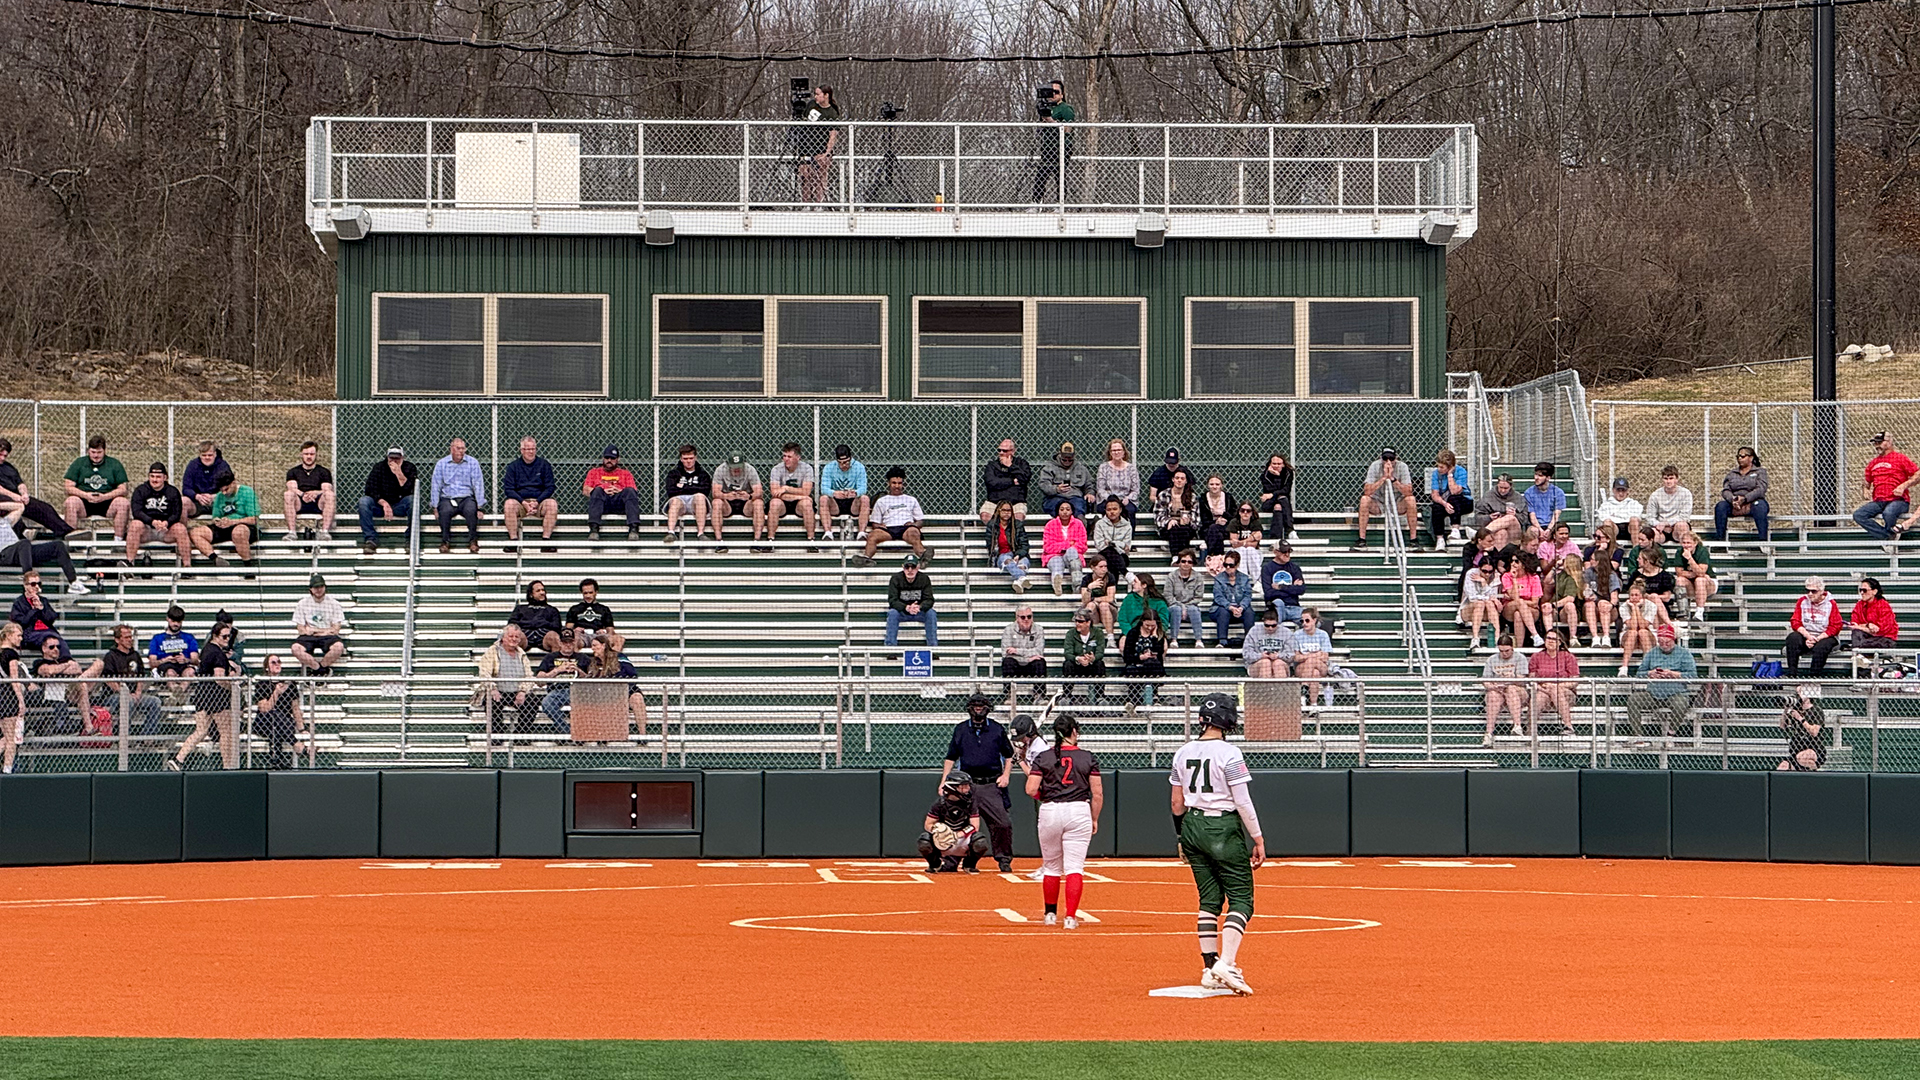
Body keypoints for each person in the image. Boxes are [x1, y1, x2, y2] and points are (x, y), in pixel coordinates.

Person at [1169, 695, 1265, 996]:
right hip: (1222, 825)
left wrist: (1181, 836)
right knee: (1241, 899)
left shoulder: (1182, 752)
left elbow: (1176, 802)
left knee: (1209, 900)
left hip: (1193, 824)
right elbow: (1242, 800)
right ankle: (1227, 962)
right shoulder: (1230, 753)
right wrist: (1258, 837)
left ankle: (1209, 967)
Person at [1027, 714, 1102, 928]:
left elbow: (1031, 789)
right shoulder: (1087, 757)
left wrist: (1047, 797)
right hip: (1079, 810)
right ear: (1074, 732)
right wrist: (1094, 818)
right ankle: (1070, 917)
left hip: (1050, 810)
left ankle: (1050, 914)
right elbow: (1097, 794)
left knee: (1051, 866)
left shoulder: (1043, 757)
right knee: (1074, 868)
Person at [940, 692, 1016, 872]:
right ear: (969, 709)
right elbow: (951, 757)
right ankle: (952, 860)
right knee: (956, 822)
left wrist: (1006, 775)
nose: (978, 710)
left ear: (988, 709)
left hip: (991, 784)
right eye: (975, 707)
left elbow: (1009, 755)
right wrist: (944, 780)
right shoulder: (960, 729)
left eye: (981, 707)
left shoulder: (997, 729)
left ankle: (1004, 859)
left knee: (1002, 822)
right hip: (965, 786)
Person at [165, 621, 239, 770]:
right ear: (215, 636)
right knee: (226, 731)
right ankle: (228, 766)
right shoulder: (218, 654)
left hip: (202, 694)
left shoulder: (206, 650)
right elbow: (219, 678)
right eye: (224, 637)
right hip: (217, 697)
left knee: (201, 730)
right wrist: (233, 682)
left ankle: (179, 758)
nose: (227, 640)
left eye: (228, 637)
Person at [82, 623, 163, 737]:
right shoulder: (111, 656)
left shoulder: (135, 655)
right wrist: (125, 694)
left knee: (155, 702)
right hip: (114, 696)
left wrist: (138, 693)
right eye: (126, 637)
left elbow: (141, 676)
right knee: (127, 702)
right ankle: (124, 737)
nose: (130, 640)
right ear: (117, 640)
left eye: (130, 637)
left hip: (134, 695)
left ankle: (147, 737)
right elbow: (108, 679)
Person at [1625, 624, 1697, 740]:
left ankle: (1671, 733)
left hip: (1676, 693)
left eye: (1667, 642)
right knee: (1634, 700)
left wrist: (1674, 674)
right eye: (1661, 642)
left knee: (1681, 703)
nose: (1664, 645)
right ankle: (1638, 735)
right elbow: (1639, 673)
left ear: (1673, 639)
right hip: (1653, 694)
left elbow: (1693, 676)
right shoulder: (1652, 653)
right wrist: (1650, 673)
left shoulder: (1684, 654)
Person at [0, 501, 86, 594]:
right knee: (24, 543)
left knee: (58, 545)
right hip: (5, 554)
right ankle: (30, 582)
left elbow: (20, 507)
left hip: (23, 552)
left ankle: (73, 582)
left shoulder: (5, 521)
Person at [854, 468, 931, 567]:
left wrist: (914, 525)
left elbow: (920, 521)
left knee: (914, 533)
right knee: (872, 536)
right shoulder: (881, 501)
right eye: (894, 483)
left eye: (899, 483)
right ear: (889, 484)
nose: (897, 486)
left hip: (906, 527)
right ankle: (867, 558)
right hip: (888, 529)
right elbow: (874, 522)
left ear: (903, 484)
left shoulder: (911, 500)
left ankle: (923, 557)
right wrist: (879, 526)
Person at [475, 625, 540, 735]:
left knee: (532, 702)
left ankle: (521, 734)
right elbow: (484, 673)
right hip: (498, 691)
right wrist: (493, 688)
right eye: (510, 636)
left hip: (517, 692)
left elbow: (529, 676)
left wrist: (523, 691)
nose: (514, 639)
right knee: (491, 701)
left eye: (516, 637)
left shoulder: (522, 654)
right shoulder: (492, 652)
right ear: (503, 637)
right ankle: (497, 735)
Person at [1853, 431, 1917, 543]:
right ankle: (1888, 537)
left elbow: (1917, 474)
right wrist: (1865, 490)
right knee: (1859, 515)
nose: (1877, 446)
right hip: (1879, 501)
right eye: (1875, 443)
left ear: (1889, 442)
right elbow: (1867, 481)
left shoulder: (1900, 458)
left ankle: (1889, 540)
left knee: (1889, 512)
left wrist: (1904, 485)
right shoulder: (1873, 463)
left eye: (1880, 442)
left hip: (1898, 501)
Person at [125, 462, 192, 569]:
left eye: (158, 477)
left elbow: (177, 513)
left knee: (181, 528)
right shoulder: (140, 490)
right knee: (134, 525)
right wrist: (152, 521)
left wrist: (166, 523)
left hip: (166, 530)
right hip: (146, 529)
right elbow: (137, 512)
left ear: (165, 477)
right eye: (152, 476)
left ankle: (187, 566)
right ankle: (129, 563)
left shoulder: (172, 492)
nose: (155, 480)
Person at [0, 438, 70, 540]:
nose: (2, 458)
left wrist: (24, 494)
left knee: (44, 508)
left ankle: (66, 532)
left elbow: (20, 483)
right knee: (13, 510)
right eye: (0, 455)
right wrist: (14, 496)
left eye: (5, 456)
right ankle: (23, 533)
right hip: (5, 499)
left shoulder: (8, 467)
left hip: (17, 498)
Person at [61, 435, 131, 537]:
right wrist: (85, 495)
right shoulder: (79, 463)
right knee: (70, 501)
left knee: (123, 503)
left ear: (104, 451)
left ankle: (118, 541)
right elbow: (68, 487)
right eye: (93, 452)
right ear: (88, 451)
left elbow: (123, 489)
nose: (96, 456)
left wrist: (105, 497)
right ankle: (71, 538)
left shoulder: (114, 464)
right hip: (84, 502)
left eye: (99, 452)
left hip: (107, 502)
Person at [919, 772, 987, 873]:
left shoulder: (970, 803)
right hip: (943, 841)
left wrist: (958, 835)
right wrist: (940, 832)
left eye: (967, 786)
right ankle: (935, 864)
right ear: (952, 788)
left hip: (962, 839)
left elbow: (974, 826)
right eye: (963, 786)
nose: (967, 789)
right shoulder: (940, 804)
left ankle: (969, 864)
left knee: (980, 842)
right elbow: (928, 824)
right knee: (924, 841)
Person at [501, 436, 558, 552]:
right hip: (520, 502)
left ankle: (546, 541)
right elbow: (509, 489)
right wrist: (523, 503)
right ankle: (513, 541)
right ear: (522, 450)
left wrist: (537, 502)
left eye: (533, 449)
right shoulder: (513, 467)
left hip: (540, 502)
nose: (531, 452)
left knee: (552, 504)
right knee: (509, 504)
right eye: (528, 449)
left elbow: (550, 487)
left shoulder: (544, 465)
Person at [430, 438, 486, 554]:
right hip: (448, 497)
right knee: (444, 511)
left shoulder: (472, 463)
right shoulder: (441, 464)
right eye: (458, 448)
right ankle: (445, 541)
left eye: (463, 448)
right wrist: (435, 506)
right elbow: (436, 485)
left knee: (471, 510)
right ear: (451, 449)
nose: (461, 451)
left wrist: (479, 506)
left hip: (466, 497)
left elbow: (478, 484)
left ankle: (473, 541)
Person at [251, 656, 308, 769]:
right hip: (264, 722)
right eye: (273, 662)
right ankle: (295, 744)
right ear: (267, 667)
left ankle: (276, 761)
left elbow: (295, 708)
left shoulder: (289, 684)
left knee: (277, 726)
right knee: (274, 714)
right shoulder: (262, 684)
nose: (277, 664)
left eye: (279, 662)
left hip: (283, 724)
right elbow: (264, 709)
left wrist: (302, 729)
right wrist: (276, 693)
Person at [1353, 447, 1417, 549]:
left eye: (1391, 459)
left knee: (1411, 500)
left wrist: (1392, 479)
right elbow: (1367, 491)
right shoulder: (1375, 466)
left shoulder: (1402, 467)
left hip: (1397, 503)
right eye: (1385, 458)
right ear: (1381, 458)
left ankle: (1413, 540)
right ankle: (1362, 539)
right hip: (1379, 502)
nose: (1388, 461)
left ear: (1396, 458)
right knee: (1364, 500)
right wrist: (1383, 478)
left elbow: (1408, 491)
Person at [188, 470, 258, 563]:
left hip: (243, 526)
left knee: (238, 532)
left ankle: (247, 564)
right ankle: (215, 558)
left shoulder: (247, 492)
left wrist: (233, 522)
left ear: (233, 483)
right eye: (221, 490)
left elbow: (253, 519)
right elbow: (216, 516)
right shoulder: (219, 496)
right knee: (195, 533)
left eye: (226, 489)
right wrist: (219, 521)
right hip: (225, 527)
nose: (224, 493)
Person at [358, 447, 417, 554]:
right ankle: (370, 539)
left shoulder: (409, 468)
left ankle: (410, 538)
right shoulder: (379, 468)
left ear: (402, 458)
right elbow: (370, 489)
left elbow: (410, 489)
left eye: (397, 459)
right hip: (381, 505)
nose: (394, 461)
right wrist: (384, 503)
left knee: (412, 501)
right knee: (364, 502)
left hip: (399, 504)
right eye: (391, 458)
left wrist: (399, 473)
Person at [1785, 576, 1843, 677]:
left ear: (1821, 591)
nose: (1810, 594)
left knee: (1822, 646)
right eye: (1807, 591)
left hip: (1824, 636)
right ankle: (1792, 674)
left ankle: (1813, 677)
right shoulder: (1802, 601)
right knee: (1792, 638)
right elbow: (1795, 621)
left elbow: (1835, 626)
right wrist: (1808, 636)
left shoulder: (1831, 604)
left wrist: (1818, 638)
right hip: (1806, 635)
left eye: (1813, 591)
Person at [291, 573, 346, 676]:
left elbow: (336, 629)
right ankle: (319, 669)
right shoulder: (302, 603)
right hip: (310, 636)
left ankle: (321, 667)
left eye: (321, 586)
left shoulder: (334, 604)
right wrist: (325, 630)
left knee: (339, 647)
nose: (319, 589)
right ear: (311, 589)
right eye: (316, 587)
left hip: (326, 636)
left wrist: (316, 631)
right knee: (295, 648)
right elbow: (301, 629)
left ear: (325, 587)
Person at [710, 451, 766, 553]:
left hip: (745, 502)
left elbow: (759, 491)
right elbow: (715, 492)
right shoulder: (721, 470)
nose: (736, 469)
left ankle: (757, 542)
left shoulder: (750, 469)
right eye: (734, 466)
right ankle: (719, 542)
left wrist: (749, 496)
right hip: (728, 502)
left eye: (739, 466)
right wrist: (725, 496)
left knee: (759, 503)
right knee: (716, 502)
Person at [583, 446, 641, 542]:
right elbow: (585, 490)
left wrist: (620, 491)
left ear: (618, 459)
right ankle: (594, 529)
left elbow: (633, 491)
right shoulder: (594, 472)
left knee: (629, 491)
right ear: (603, 458)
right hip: (602, 503)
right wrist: (603, 490)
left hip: (619, 503)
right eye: (607, 458)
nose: (609, 460)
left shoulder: (625, 473)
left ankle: (634, 529)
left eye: (612, 458)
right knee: (597, 491)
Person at [1714, 446, 1771, 544]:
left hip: (1753, 501)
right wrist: (1733, 499)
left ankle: (1763, 541)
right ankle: (1721, 541)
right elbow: (1726, 490)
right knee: (1720, 507)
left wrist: (1745, 499)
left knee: (1760, 507)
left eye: (1743, 456)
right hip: (1735, 503)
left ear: (1751, 458)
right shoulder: (1732, 474)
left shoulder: (1760, 472)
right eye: (1738, 456)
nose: (1740, 458)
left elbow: (1761, 489)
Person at [766, 443, 819, 549]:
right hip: (783, 503)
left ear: (798, 457)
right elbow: (775, 493)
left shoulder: (807, 469)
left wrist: (786, 488)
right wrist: (800, 496)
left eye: (789, 457)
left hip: (799, 504)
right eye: (784, 456)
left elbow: (807, 491)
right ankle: (770, 540)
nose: (786, 459)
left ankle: (811, 541)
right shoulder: (776, 469)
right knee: (774, 503)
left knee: (807, 503)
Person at [281, 441, 337, 541]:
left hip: (318, 502)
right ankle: (292, 533)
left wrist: (315, 493)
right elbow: (292, 488)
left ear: (316, 455)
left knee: (330, 495)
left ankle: (324, 532)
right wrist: (303, 494)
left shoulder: (324, 471)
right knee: (288, 494)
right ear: (301, 454)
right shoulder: (293, 471)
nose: (309, 456)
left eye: (312, 454)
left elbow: (326, 488)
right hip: (300, 502)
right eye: (306, 454)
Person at [795, 84, 842, 204]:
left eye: (818, 94)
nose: (815, 96)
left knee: (819, 178)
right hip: (805, 146)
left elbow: (833, 135)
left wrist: (827, 152)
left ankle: (818, 204)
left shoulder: (832, 113)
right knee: (805, 176)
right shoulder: (811, 105)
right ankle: (805, 203)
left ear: (826, 96)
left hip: (820, 148)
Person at [1031, 79, 1075, 204]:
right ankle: (1036, 202)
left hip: (1061, 147)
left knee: (1059, 175)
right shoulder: (1048, 108)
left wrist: (1051, 121)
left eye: (1056, 92)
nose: (1053, 95)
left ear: (1062, 94)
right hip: (1047, 147)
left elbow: (1068, 129)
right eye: (1051, 92)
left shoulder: (1066, 108)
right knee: (1041, 175)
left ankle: (1059, 203)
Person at [1529, 627, 1579, 737]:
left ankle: (1568, 726)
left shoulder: (1568, 657)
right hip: (1542, 690)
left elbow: (1574, 681)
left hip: (1565, 692)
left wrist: (1554, 686)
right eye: (1548, 638)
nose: (1550, 641)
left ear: (1560, 642)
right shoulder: (1536, 657)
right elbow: (1531, 679)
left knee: (1555, 690)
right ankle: (1530, 731)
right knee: (1539, 697)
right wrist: (1542, 688)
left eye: (1554, 639)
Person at [661, 444, 713, 543]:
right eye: (685, 458)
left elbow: (705, 490)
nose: (688, 461)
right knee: (675, 501)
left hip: (695, 502)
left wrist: (683, 487)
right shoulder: (674, 473)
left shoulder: (703, 474)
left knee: (700, 497)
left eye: (691, 458)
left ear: (695, 458)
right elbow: (671, 491)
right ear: (681, 459)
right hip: (680, 502)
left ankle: (701, 533)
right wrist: (694, 488)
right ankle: (671, 532)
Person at [884, 554, 938, 648]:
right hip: (902, 612)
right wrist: (906, 607)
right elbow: (892, 600)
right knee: (892, 613)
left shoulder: (924, 579)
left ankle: (933, 648)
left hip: (919, 611)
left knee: (931, 613)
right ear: (903, 567)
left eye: (913, 567)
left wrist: (919, 607)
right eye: (907, 567)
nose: (910, 570)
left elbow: (929, 599)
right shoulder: (895, 579)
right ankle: (890, 648)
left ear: (918, 567)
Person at [1481, 635, 1526, 745]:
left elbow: (1522, 680)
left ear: (1512, 648)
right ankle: (1489, 733)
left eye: (1507, 651)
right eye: (1501, 651)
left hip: (1517, 690)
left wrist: (1512, 678)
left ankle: (1517, 726)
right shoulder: (1491, 660)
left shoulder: (1520, 658)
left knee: (1510, 689)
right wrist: (1493, 686)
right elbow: (1485, 681)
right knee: (1492, 694)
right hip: (1498, 690)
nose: (1504, 653)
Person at [819, 444, 870, 540]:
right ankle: (828, 533)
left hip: (853, 502)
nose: (844, 465)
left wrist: (855, 493)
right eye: (841, 463)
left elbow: (863, 488)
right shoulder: (829, 468)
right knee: (823, 499)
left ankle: (862, 533)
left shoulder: (859, 467)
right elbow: (824, 488)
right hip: (836, 502)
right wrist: (834, 493)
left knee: (865, 498)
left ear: (851, 458)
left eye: (846, 462)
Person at [535, 634, 583, 733]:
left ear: (574, 643)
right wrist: (557, 671)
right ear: (560, 643)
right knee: (546, 703)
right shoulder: (550, 657)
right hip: (556, 691)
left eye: (570, 642)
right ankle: (567, 732)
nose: (568, 645)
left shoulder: (583, 658)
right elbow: (539, 681)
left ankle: (580, 733)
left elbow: (590, 679)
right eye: (565, 642)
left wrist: (578, 670)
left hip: (578, 692)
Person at [999, 604, 1047, 703]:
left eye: (1029, 616)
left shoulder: (1039, 630)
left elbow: (1039, 651)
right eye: (1023, 617)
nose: (1026, 619)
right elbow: (1006, 653)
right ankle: (1009, 695)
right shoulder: (1008, 630)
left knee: (1040, 662)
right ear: (1017, 618)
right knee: (1008, 661)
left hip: (1031, 665)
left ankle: (1039, 696)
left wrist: (1017, 651)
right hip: (1016, 665)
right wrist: (1027, 658)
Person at [1121, 608, 1167, 711]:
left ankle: (1154, 696)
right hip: (1136, 663)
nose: (1150, 628)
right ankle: (1133, 699)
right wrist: (1140, 657)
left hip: (1152, 666)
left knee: (1152, 663)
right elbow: (1127, 655)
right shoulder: (1133, 633)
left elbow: (1159, 653)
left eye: (1152, 626)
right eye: (1147, 625)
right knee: (1133, 669)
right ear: (1142, 622)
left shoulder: (1159, 634)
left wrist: (1154, 638)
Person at [148, 605, 198, 698]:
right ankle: (179, 695)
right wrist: (165, 660)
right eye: (173, 621)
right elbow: (152, 662)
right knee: (170, 673)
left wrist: (186, 660)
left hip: (184, 665)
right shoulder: (157, 638)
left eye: (178, 621)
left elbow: (195, 660)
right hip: (166, 666)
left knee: (190, 672)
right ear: (167, 619)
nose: (176, 624)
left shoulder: (189, 637)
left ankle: (176, 696)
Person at [1670, 524, 1717, 621]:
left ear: (1695, 543)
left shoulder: (1702, 551)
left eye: (1688, 543)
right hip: (1691, 582)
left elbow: (1701, 572)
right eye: (1684, 543)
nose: (1686, 545)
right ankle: (1683, 612)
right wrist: (1694, 574)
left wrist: (1690, 559)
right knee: (1680, 580)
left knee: (1700, 580)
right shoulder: (1679, 552)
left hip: (1708, 583)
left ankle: (1699, 612)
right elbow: (1679, 572)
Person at [1041, 498, 1088, 595]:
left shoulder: (1079, 524)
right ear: (1057, 511)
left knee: (1072, 551)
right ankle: (1057, 584)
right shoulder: (1050, 525)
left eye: (1067, 509)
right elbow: (1048, 547)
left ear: (1072, 511)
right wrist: (1068, 544)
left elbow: (1083, 546)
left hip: (1072, 555)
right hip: (1053, 556)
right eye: (1062, 509)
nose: (1065, 512)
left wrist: (1066, 547)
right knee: (1057, 562)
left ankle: (1077, 585)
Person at [981, 438, 1033, 525]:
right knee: (985, 515)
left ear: (1012, 451)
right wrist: (1013, 481)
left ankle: (1012, 537)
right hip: (995, 501)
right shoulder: (992, 465)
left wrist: (1011, 466)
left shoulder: (1021, 464)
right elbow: (992, 482)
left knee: (1018, 517)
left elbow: (1025, 479)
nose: (1001, 453)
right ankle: (996, 535)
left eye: (1004, 451)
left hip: (1015, 501)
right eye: (999, 450)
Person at [1428, 449, 1472, 549]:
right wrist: (1444, 504)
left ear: (1450, 467)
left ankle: (1455, 529)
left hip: (1463, 501)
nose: (1439, 469)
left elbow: (1455, 491)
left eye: (1442, 467)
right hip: (1446, 502)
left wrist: (1450, 475)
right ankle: (1440, 539)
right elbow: (1434, 495)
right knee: (1436, 507)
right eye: (1438, 466)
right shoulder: (1436, 474)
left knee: (1453, 498)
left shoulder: (1461, 471)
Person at [984, 500, 1032, 592]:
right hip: (1001, 555)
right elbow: (990, 546)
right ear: (999, 511)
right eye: (1004, 510)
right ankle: (1022, 577)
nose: (1006, 513)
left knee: (1024, 562)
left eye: (1009, 510)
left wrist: (1018, 555)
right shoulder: (992, 525)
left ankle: (1018, 582)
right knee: (1007, 559)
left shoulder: (1017, 524)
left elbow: (1024, 545)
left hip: (1017, 554)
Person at [1500, 552, 1546, 647]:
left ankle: (1519, 647)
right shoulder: (1506, 576)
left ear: (1524, 564)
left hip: (1531, 610)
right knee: (1519, 603)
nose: (1513, 564)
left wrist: (1520, 602)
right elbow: (1515, 598)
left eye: (1516, 561)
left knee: (1518, 614)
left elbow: (1534, 602)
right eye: (1511, 561)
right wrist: (1514, 579)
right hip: (1509, 608)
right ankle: (1535, 635)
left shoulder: (1534, 578)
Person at [1777, 685, 1827, 772]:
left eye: (1800, 693)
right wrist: (1785, 710)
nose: (1798, 695)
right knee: (1782, 766)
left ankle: (1814, 771)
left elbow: (1814, 732)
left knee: (1802, 758)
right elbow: (1783, 725)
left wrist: (1800, 718)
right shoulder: (1796, 710)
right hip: (1797, 746)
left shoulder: (1816, 710)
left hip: (1813, 746)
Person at [1060, 609, 1106, 703]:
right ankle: (1066, 696)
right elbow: (1067, 653)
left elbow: (1100, 652)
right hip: (1077, 665)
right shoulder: (1070, 633)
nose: (1077, 623)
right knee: (1067, 664)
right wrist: (1077, 658)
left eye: (1080, 621)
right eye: (1076, 621)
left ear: (1088, 622)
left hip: (1091, 665)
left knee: (1100, 664)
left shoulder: (1098, 633)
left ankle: (1100, 697)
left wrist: (1093, 658)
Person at [508, 580, 566, 654]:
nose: (542, 593)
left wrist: (543, 623)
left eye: (543, 590)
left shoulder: (552, 609)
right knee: (514, 636)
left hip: (545, 637)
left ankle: (558, 664)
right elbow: (512, 624)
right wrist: (532, 623)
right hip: (525, 636)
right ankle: (511, 664)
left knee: (554, 636)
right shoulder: (520, 608)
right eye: (538, 591)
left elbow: (557, 626)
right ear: (531, 594)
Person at [1037, 442, 1092, 518]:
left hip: (1075, 497)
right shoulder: (1049, 468)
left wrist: (1090, 493)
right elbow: (1043, 484)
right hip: (1055, 497)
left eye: (1070, 460)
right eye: (1064, 460)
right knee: (1059, 510)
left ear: (1074, 456)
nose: (1067, 462)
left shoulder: (1081, 469)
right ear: (1060, 455)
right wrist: (1056, 489)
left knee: (1078, 510)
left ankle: (1080, 526)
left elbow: (1089, 484)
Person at [1211, 551, 1254, 648]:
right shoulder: (1219, 578)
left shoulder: (1244, 578)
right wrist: (1230, 607)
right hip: (1223, 608)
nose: (1228, 568)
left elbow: (1248, 595)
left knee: (1249, 612)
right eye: (1225, 565)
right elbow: (1218, 597)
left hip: (1239, 608)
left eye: (1231, 565)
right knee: (1223, 611)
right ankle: (1222, 641)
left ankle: (1250, 641)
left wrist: (1241, 608)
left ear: (1237, 565)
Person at [1616, 581, 1659, 677]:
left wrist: (1636, 609)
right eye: (1632, 595)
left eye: (1636, 595)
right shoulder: (1623, 607)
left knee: (1642, 632)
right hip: (1629, 637)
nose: (1634, 597)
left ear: (1642, 597)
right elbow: (1633, 626)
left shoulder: (1651, 606)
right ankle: (1624, 668)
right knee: (1633, 632)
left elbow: (1643, 625)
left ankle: (1648, 665)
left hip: (1647, 636)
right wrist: (1634, 608)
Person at [1258, 539, 1306, 624]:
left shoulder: (1295, 568)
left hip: (1294, 606)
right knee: (1278, 602)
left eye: (1289, 551)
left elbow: (1301, 589)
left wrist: (1281, 587)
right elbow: (1269, 593)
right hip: (1276, 607)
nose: (1287, 554)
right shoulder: (1267, 568)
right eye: (1284, 552)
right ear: (1276, 552)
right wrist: (1292, 588)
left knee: (1314, 623)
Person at [1153, 470, 1198, 557]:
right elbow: (1158, 516)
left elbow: (1196, 519)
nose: (1179, 480)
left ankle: (1180, 557)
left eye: (1182, 478)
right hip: (1168, 528)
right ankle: (1178, 557)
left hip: (1186, 528)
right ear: (1173, 479)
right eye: (1177, 478)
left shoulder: (1192, 496)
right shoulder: (1163, 495)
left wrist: (1189, 521)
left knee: (1183, 529)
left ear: (1186, 481)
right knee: (1174, 528)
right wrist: (1168, 521)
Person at [1096, 439, 1140, 527]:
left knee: (1130, 511)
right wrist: (1111, 499)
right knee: (1108, 509)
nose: (1116, 452)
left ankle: (1129, 538)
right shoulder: (1103, 467)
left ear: (1124, 452)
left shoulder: (1131, 468)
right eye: (1114, 450)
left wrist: (1128, 498)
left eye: (1119, 450)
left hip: (1126, 500)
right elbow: (1100, 489)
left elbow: (1135, 490)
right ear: (1110, 453)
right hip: (1108, 499)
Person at [1116, 571, 1173, 640]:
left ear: (1144, 585)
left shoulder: (1159, 602)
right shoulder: (1129, 599)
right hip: (1132, 633)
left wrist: (1154, 633)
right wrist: (1131, 634)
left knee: (1163, 644)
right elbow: (1122, 619)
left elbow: (1163, 623)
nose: (1133, 584)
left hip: (1153, 633)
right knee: (1123, 642)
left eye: (1135, 582)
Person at [1459, 563, 1501, 653]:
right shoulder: (1471, 574)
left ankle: (1497, 639)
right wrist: (1488, 597)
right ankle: (1475, 638)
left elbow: (1493, 597)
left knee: (1490, 604)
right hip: (1469, 609)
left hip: (1487, 611)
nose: (1487, 574)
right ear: (1479, 569)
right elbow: (1472, 597)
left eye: (1490, 572)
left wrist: (1484, 584)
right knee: (1480, 604)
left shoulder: (1495, 577)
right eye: (1484, 571)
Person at [1166, 550, 1206, 646]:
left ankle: (1199, 640)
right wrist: (1181, 606)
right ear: (1179, 562)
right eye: (1183, 561)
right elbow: (1168, 595)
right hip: (1174, 606)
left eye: (1189, 562)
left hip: (1191, 606)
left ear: (1193, 564)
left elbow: (1198, 597)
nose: (1186, 564)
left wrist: (1186, 607)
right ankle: (1174, 640)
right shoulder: (1171, 576)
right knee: (1176, 609)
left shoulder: (1198, 577)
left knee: (1194, 610)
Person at [180, 441, 228, 520]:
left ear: (215, 454)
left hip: (219, 502)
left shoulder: (223, 466)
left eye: (210, 455)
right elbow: (186, 488)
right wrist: (197, 496)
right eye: (204, 455)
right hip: (198, 503)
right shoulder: (192, 465)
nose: (207, 458)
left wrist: (215, 497)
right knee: (183, 502)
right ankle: (182, 531)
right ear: (199, 455)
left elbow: (229, 488)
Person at [1196, 474, 1236, 569]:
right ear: (1208, 485)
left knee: (1218, 532)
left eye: (1217, 484)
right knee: (1215, 531)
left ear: (1221, 485)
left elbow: (1234, 515)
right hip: (1208, 528)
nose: (1214, 486)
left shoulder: (1228, 497)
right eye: (1212, 484)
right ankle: (1219, 558)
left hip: (1225, 527)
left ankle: (1210, 556)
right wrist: (1216, 522)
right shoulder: (1202, 499)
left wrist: (1223, 514)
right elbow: (1203, 519)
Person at [1241, 606, 1292, 680]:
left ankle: (1280, 691)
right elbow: (1246, 654)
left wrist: (1278, 656)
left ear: (1277, 622)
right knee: (1265, 663)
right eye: (1267, 625)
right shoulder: (1254, 631)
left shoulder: (1286, 632)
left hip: (1280, 664)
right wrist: (1260, 656)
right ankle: (1265, 691)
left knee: (1277, 663)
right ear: (1263, 622)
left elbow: (1291, 655)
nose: (1270, 628)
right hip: (1256, 665)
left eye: (1273, 625)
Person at [1849, 576, 1899, 651]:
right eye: (1860, 590)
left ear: (1874, 591)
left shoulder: (1883, 606)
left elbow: (1880, 631)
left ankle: (1857, 653)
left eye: (1864, 590)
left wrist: (1861, 627)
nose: (1862, 593)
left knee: (1862, 644)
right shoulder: (1859, 605)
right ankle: (1858, 652)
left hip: (1885, 639)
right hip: (1866, 637)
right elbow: (1853, 625)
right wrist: (1868, 625)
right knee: (1856, 633)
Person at [1646, 465, 1694, 542]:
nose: (1668, 481)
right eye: (1666, 478)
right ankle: (1655, 553)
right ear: (1662, 479)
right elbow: (1650, 517)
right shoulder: (1655, 495)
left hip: (1676, 527)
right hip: (1660, 529)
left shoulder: (1685, 493)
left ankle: (1684, 553)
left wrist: (1666, 523)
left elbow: (1684, 517)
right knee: (1651, 534)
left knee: (1682, 525)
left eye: (1671, 478)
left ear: (1677, 479)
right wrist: (1659, 524)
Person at [1544, 552, 1585, 640]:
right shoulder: (1561, 575)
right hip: (1556, 610)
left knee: (1569, 605)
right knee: (1546, 607)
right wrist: (1554, 568)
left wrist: (1554, 604)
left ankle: (1573, 637)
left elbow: (1570, 598)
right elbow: (1547, 581)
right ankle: (1549, 636)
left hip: (1569, 612)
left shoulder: (1575, 579)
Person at [1090, 496, 1133, 579]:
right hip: (1104, 555)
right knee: (1110, 556)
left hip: (1122, 556)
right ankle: (1126, 574)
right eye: (1109, 510)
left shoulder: (1127, 525)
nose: (1112, 512)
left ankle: (1110, 589)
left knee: (1112, 558)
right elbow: (1100, 545)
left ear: (1120, 510)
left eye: (1114, 509)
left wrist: (1111, 543)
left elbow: (1126, 547)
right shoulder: (1100, 524)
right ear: (1105, 511)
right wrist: (1118, 545)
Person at [1257, 454, 1297, 541]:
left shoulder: (1288, 473)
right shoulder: (1265, 475)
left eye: (1279, 464)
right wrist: (1275, 476)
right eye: (1274, 464)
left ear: (1283, 464)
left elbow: (1286, 490)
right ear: (1270, 464)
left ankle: (1275, 539)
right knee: (1282, 498)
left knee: (1278, 507)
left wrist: (1272, 494)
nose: (1276, 466)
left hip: (1281, 502)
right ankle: (1290, 530)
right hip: (1268, 503)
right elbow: (1271, 490)